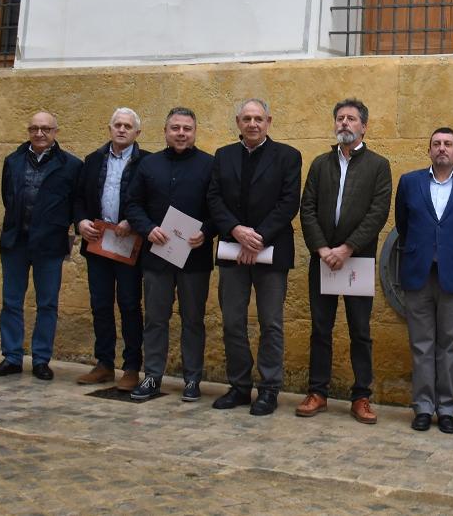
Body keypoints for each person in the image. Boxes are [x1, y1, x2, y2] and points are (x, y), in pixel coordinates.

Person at [298, 98, 392, 424]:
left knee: (360, 331)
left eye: (352, 119)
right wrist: (323, 249)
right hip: (322, 259)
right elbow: (307, 208)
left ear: (364, 126)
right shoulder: (320, 164)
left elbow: (378, 212)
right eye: (340, 118)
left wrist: (348, 248)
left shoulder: (378, 165)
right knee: (320, 329)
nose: (345, 124)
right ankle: (317, 393)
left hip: (357, 260)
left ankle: (361, 397)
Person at [207, 98, 302, 416]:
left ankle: (270, 389)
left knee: (270, 323)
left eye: (258, 118)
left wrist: (256, 237)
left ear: (269, 121)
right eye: (246, 119)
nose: (252, 124)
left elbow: (289, 202)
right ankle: (239, 386)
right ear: (238, 122)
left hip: (271, 250)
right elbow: (214, 198)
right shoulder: (223, 156)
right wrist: (236, 231)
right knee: (233, 321)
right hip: (233, 248)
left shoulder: (288, 156)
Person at [393, 127, 453, 434]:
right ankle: (422, 407)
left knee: (450, 345)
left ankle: (446, 408)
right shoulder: (409, 182)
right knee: (421, 344)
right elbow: (403, 226)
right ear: (429, 150)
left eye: (448, 144)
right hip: (418, 274)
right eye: (436, 144)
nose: (442, 148)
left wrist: (450, 251)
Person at [125, 108, 215, 402]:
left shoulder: (209, 165)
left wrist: (208, 231)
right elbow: (133, 204)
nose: (181, 133)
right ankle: (152, 376)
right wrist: (148, 228)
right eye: (175, 128)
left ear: (195, 132)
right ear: (165, 131)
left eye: (187, 128)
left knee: (192, 320)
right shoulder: (148, 165)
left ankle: (192, 379)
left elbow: (219, 208)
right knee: (155, 319)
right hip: (156, 258)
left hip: (194, 259)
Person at [0, 111, 83, 381]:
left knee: (48, 304)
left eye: (45, 129)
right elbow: (8, 196)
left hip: (50, 244)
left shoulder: (71, 166)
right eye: (34, 128)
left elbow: (74, 203)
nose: (39, 133)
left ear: (56, 131)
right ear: (28, 131)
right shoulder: (13, 161)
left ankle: (41, 359)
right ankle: (12, 356)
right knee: (11, 302)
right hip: (16, 242)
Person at [74, 108, 148, 392]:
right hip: (97, 243)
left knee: (129, 304)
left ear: (137, 133)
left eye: (127, 126)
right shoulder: (93, 160)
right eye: (117, 124)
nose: (121, 129)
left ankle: (131, 367)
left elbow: (152, 199)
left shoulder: (147, 162)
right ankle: (104, 363)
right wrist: (80, 221)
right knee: (100, 304)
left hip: (130, 244)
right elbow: (79, 198)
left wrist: (135, 220)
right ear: (109, 128)